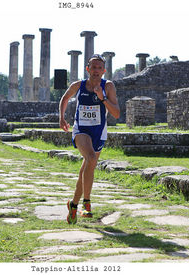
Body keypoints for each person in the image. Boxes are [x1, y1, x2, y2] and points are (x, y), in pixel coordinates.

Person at [59, 54, 120, 224]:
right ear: (87, 69)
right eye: (93, 67)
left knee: (87, 168)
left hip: (99, 132)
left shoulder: (108, 86)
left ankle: (73, 205)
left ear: (104, 70)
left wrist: (103, 98)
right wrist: (62, 118)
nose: (96, 71)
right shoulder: (78, 86)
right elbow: (65, 98)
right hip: (81, 130)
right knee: (91, 158)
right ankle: (87, 204)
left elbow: (116, 113)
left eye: (100, 68)